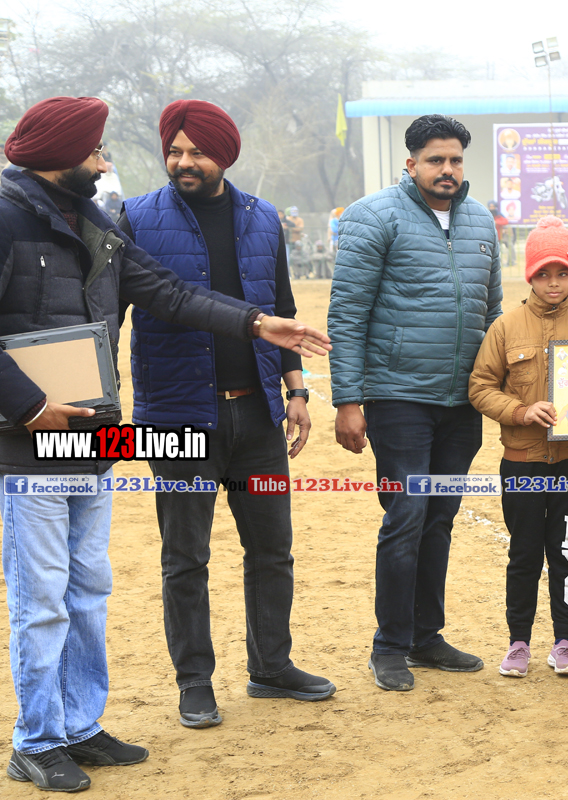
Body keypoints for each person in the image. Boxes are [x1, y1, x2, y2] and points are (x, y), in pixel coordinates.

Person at [0, 96, 330, 793]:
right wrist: (28, 405)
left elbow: (171, 295)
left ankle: (79, 727)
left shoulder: (94, 222)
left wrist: (258, 325)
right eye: (95, 149)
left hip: (93, 438)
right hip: (33, 442)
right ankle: (37, 740)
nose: (104, 161)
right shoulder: (13, 219)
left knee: (87, 590)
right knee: (45, 598)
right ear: (62, 153)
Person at [117, 99, 335, 730]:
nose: (183, 162)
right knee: (185, 556)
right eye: (174, 151)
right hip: (175, 421)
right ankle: (195, 682)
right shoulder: (134, 217)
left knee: (271, 549)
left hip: (259, 419)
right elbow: (110, 313)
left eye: (197, 152)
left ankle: (272, 667)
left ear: (225, 156)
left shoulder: (264, 218)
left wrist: (296, 392)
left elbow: (282, 307)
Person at [329, 114, 502, 692]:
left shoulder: (481, 221)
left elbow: (493, 312)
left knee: (441, 517)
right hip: (398, 396)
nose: (447, 169)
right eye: (435, 160)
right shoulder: (372, 216)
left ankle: (427, 637)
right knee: (406, 515)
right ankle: (390, 645)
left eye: (455, 160)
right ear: (411, 164)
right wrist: (348, 400)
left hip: (462, 402)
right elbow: (347, 313)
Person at [469, 216, 568, 679]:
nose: (553, 282)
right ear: (530, 275)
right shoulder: (505, 327)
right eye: (543, 273)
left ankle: (565, 642)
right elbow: (480, 387)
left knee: (566, 553)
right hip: (522, 464)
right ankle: (519, 643)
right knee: (524, 553)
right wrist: (521, 411)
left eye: (562, 272)